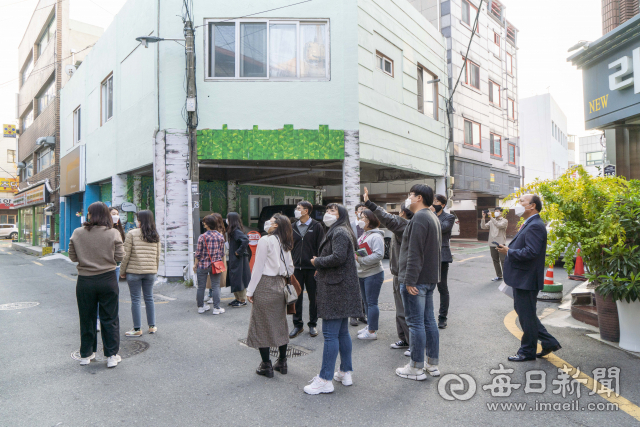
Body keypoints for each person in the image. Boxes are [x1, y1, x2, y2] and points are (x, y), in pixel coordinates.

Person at [305, 204, 363, 395]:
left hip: (336, 289)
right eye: (328, 211)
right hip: (341, 287)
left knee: (330, 335)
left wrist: (317, 262)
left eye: (333, 212)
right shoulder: (341, 230)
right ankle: (345, 371)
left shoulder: (339, 232)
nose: (328, 214)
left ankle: (325, 379)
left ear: (341, 215)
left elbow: (338, 257)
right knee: (342, 333)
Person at [497, 194, 561, 361]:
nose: (518, 205)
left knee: (526, 315)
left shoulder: (535, 226)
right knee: (525, 314)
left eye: (522, 202)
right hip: (523, 277)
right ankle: (548, 342)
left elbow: (531, 252)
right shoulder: (530, 223)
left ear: (532, 206)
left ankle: (527, 351)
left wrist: (509, 251)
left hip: (526, 278)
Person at [69, 202, 124, 368]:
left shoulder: (77, 233)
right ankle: (111, 356)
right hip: (107, 279)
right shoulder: (113, 233)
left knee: (87, 318)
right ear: (106, 215)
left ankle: (86, 354)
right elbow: (120, 257)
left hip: (85, 280)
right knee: (110, 318)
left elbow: (73, 257)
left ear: (90, 215)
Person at [395, 184, 442, 381]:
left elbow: (415, 253)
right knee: (428, 321)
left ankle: (415, 367)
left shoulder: (420, 218)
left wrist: (409, 280)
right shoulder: (431, 217)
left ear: (419, 198)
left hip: (417, 280)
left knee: (415, 323)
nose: (409, 198)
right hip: (429, 278)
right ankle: (432, 364)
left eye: (411, 195)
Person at [363, 187, 413, 352]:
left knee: (405, 311)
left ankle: (412, 344)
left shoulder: (403, 225)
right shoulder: (408, 224)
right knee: (401, 310)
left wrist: (369, 203)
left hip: (403, 274)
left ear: (403, 213)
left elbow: (386, 218)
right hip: (399, 272)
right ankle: (404, 339)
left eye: (398, 211)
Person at [246, 214, 294, 378]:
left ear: (276, 225)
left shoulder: (265, 240)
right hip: (280, 284)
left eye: (272, 220)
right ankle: (282, 361)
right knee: (280, 323)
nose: (269, 222)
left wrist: (250, 291)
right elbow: (291, 268)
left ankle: (266, 364)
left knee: (262, 324)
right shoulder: (285, 241)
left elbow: (257, 268)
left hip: (265, 284)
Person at [120, 210, 161, 336]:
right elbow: (158, 256)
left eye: (138, 219)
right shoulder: (155, 235)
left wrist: (122, 271)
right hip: (151, 271)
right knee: (149, 298)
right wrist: (155, 269)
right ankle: (152, 326)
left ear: (140, 220)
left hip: (134, 272)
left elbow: (125, 255)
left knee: (136, 299)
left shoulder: (131, 233)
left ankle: (137, 329)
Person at [290, 201, 325, 339]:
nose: (296, 211)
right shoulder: (292, 227)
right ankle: (297, 325)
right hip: (296, 268)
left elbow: (321, 247)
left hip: (312, 268)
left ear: (306, 211)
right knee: (296, 297)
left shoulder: (317, 226)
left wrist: (318, 265)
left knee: (313, 297)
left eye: (299, 209)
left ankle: (312, 324)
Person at [355, 209, 385, 340]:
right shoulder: (364, 234)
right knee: (367, 302)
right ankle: (369, 326)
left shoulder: (376, 236)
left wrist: (361, 260)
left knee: (372, 303)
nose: (361, 220)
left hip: (373, 274)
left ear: (370, 220)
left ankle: (372, 332)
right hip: (362, 273)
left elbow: (379, 255)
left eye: (363, 218)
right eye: (360, 217)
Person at [431, 194, 455, 329]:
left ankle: (442, 317)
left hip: (442, 255)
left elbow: (441, 228)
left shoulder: (449, 217)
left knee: (442, 287)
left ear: (443, 204)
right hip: (428, 255)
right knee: (427, 287)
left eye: (437, 201)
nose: (434, 203)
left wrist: (433, 214)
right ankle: (427, 316)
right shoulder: (428, 214)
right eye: (433, 201)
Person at [194, 215, 226, 314]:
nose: (203, 224)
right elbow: (222, 253)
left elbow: (198, 253)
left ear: (208, 225)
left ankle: (200, 307)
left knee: (201, 287)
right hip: (216, 265)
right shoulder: (220, 236)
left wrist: (195, 265)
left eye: (205, 222)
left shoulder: (202, 237)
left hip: (203, 265)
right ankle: (216, 308)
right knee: (216, 286)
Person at [226, 212, 251, 307]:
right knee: (235, 278)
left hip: (238, 258)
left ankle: (242, 300)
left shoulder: (236, 231)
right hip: (236, 258)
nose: (226, 220)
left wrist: (238, 252)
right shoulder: (234, 230)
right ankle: (237, 299)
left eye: (227, 218)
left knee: (238, 278)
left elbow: (245, 240)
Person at [350, 202, 367, 327]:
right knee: (354, 288)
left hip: (366, 259)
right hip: (352, 259)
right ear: (356, 212)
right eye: (361, 210)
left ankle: (363, 314)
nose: (363, 212)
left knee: (365, 288)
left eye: (365, 210)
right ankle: (353, 315)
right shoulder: (350, 226)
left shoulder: (369, 225)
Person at [481, 207, 508, 281]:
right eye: (495, 211)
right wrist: (483, 218)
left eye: (497, 211)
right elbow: (483, 227)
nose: (496, 212)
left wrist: (491, 217)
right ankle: (499, 276)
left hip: (501, 243)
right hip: (492, 243)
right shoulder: (491, 221)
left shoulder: (504, 221)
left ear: (501, 212)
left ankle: (506, 277)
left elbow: (499, 225)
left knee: (503, 260)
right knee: (495, 260)